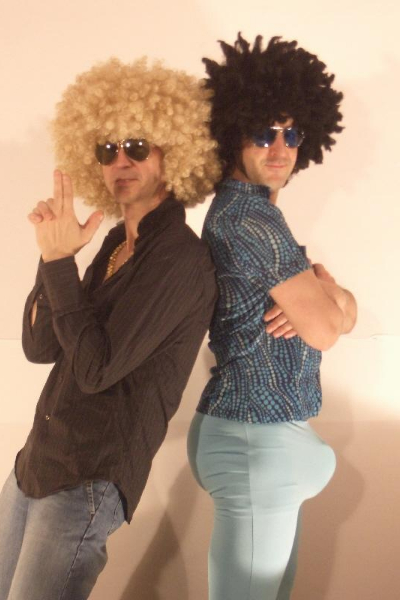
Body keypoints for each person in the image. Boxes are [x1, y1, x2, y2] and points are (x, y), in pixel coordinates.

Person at [0, 57, 220, 600]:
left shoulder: (178, 258)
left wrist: (61, 264)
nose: (120, 161)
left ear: (173, 152)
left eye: (137, 146)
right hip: (36, 463)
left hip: (88, 480)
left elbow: (96, 368)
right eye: (107, 150)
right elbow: (41, 345)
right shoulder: (112, 246)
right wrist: (51, 258)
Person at [187, 34, 357, 600]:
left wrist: (330, 296)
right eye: (263, 133)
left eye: (292, 133)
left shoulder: (258, 215)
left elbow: (339, 315)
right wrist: (328, 301)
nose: (280, 147)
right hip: (252, 442)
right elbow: (327, 329)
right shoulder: (250, 223)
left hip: (260, 440)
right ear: (232, 134)